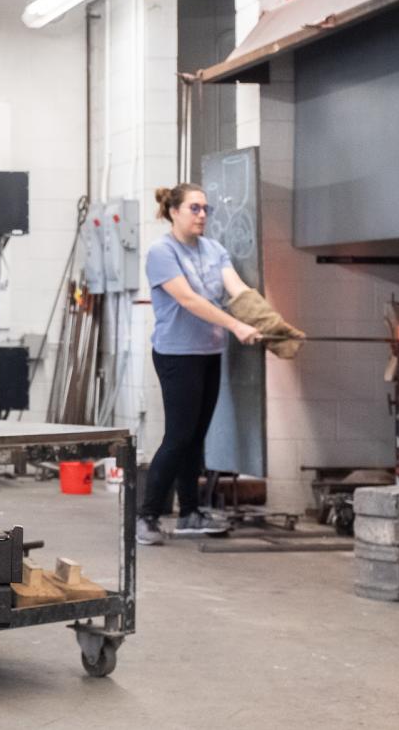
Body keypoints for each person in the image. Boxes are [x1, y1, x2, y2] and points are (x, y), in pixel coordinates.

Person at [136, 183, 260, 546]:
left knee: (195, 438)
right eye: (194, 208)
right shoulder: (162, 252)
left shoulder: (214, 250)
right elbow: (189, 300)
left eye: (206, 209)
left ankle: (190, 513)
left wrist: (267, 320)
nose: (202, 215)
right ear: (174, 211)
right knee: (178, 437)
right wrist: (236, 325)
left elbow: (237, 289)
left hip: (207, 353)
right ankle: (147, 516)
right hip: (177, 355)